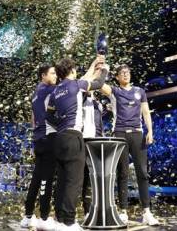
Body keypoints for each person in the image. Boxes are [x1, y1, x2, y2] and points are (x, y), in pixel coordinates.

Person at [46, 55, 109, 231]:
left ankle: (60, 220)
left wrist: (61, 125)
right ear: (73, 71)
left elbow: (48, 115)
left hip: (59, 139)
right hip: (74, 137)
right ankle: (70, 222)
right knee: (74, 182)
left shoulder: (55, 91)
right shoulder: (76, 85)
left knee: (62, 181)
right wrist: (104, 70)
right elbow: (97, 84)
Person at [109, 64, 159, 226]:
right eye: (122, 73)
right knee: (122, 172)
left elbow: (145, 112)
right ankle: (123, 211)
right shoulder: (114, 91)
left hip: (138, 133)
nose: (125, 74)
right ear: (116, 77)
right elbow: (99, 85)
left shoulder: (140, 91)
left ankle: (146, 212)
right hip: (120, 133)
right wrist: (100, 66)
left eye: (127, 72)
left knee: (143, 173)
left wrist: (150, 131)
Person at [20, 64, 59, 230]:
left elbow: (33, 118)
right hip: (47, 138)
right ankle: (43, 217)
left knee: (36, 179)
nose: (56, 75)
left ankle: (28, 216)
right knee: (46, 179)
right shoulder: (48, 90)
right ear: (43, 75)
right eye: (52, 73)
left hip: (38, 139)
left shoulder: (36, 92)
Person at [80, 91, 104, 216]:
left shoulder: (98, 102)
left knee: (94, 177)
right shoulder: (81, 99)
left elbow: (99, 123)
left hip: (98, 140)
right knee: (83, 176)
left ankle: (95, 209)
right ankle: (86, 210)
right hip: (85, 140)